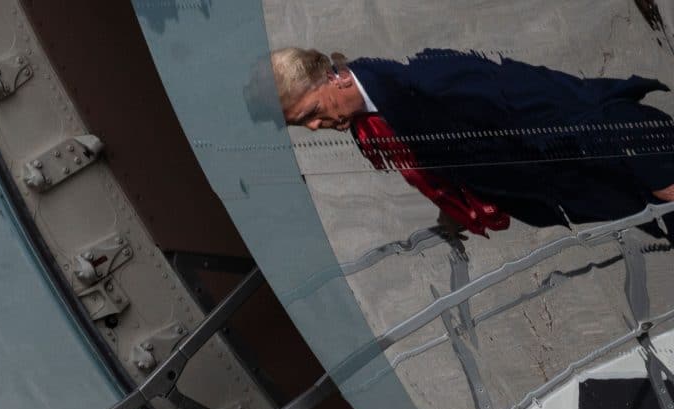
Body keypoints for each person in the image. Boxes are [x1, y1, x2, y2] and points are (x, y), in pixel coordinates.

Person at [261, 47, 674, 236]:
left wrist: (653, 167)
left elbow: (552, 102)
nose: (313, 127)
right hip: (602, 194)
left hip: (628, 159)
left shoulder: (427, 81)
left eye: (312, 112)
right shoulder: (373, 124)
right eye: (301, 124)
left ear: (334, 78)